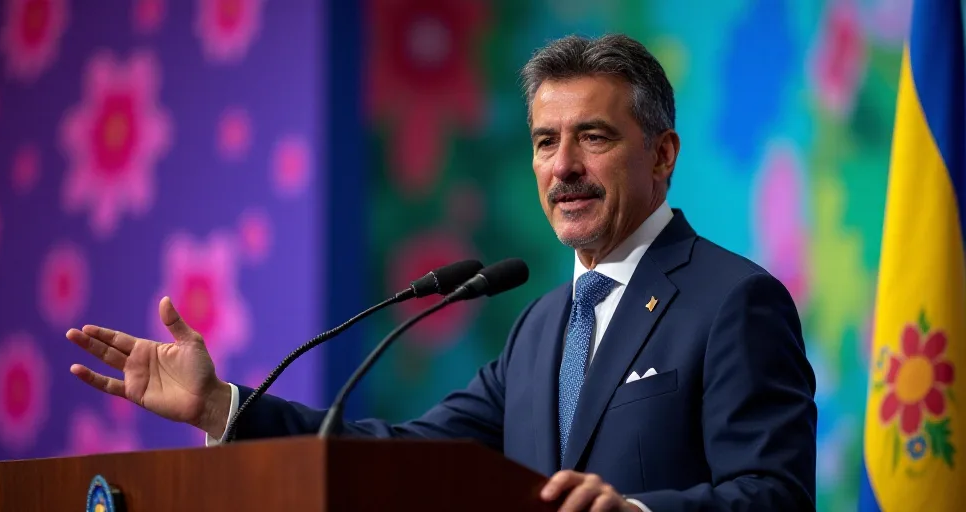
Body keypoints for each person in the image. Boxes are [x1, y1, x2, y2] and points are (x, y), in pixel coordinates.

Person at [66, 34, 817, 511]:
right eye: (545, 141)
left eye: (593, 137)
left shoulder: (734, 301)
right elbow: (403, 454)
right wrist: (220, 407)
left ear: (662, 155)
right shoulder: (541, 327)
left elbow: (774, 495)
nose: (563, 167)